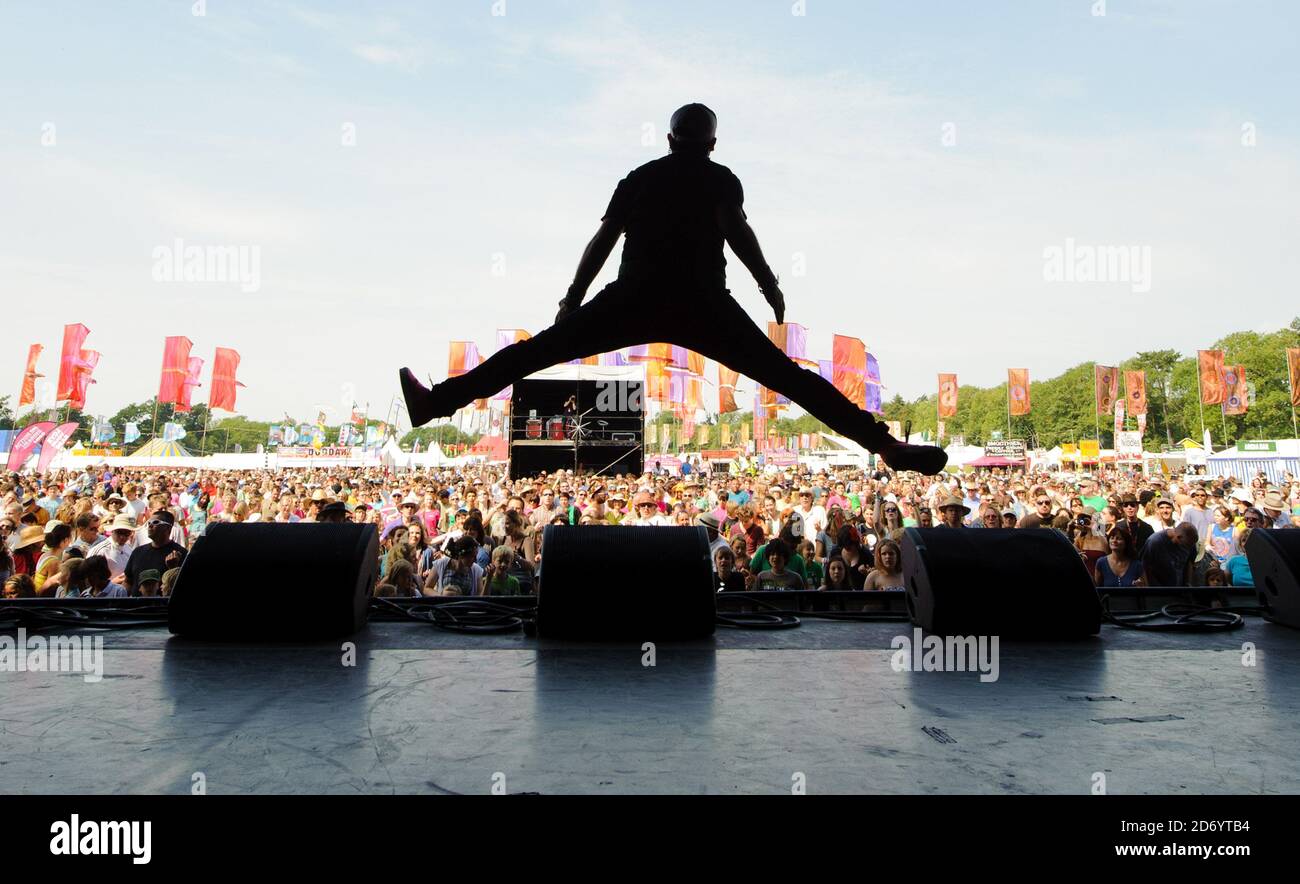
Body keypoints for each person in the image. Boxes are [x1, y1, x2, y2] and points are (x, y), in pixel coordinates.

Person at [400, 104, 946, 475]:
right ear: (712, 142)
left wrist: (572, 297)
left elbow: (602, 241)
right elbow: (739, 234)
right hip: (703, 304)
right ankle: (885, 446)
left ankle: (437, 404)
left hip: (632, 297)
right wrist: (768, 284)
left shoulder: (639, 177)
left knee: (531, 354)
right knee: (791, 378)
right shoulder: (720, 178)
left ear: (668, 139)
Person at [123, 511, 187, 595]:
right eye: (148, 522)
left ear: (168, 528)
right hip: (136, 606)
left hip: (162, 606)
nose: (150, 525)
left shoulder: (181, 553)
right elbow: (128, 582)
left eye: (155, 522)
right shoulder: (138, 552)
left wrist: (173, 568)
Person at [1141, 522, 1199, 587]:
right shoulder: (1155, 542)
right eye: (1187, 545)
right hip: (1158, 590)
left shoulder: (1190, 541)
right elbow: (1144, 567)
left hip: (1180, 590)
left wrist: (1188, 583)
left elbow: (1190, 562)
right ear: (1178, 537)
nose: (1189, 547)